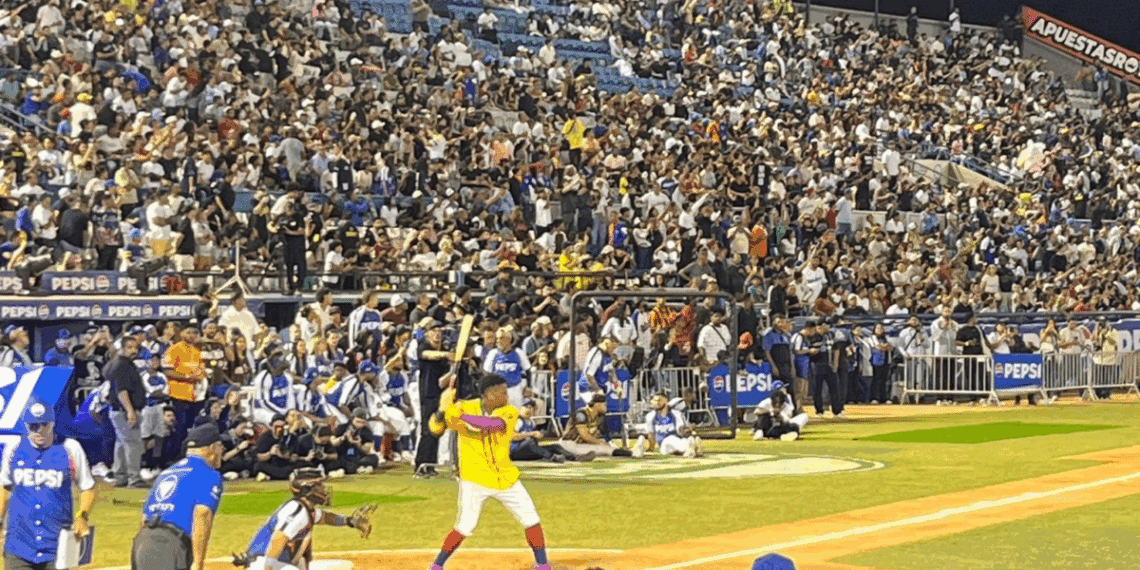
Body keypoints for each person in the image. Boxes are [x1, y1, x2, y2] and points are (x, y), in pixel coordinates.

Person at [425, 374, 552, 570]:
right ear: (488, 394)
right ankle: (437, 566)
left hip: (505, 477)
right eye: (502, 392)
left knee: (531, 519)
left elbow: (490, 425)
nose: (506, 395)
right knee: (464, 526)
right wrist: (443, 409)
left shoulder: (509, 411)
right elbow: (435, 429)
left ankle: (542, 565)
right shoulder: (463, 406)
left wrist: (456, 414)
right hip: (474, 478)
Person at [0, 400, 96, 570]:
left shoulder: (70, 448)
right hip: (19, 544)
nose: (39, 430)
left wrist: (82, 516)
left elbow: (87, 487)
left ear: (52, 423)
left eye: (44, 424)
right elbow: (4, 487)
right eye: (33, 426)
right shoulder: (13, 449)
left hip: (57, 546)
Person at [234, 469, 374, 570]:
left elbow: (325, 517)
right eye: (319, 485)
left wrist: (350, 521)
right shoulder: (297, 511)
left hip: (276, 562)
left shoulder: (306, 509)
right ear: (308, 488)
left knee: (344, 567)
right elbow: (278, 538)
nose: (323, 489)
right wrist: (268, 568)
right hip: (263, 563)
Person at [133, 423, 224, 570]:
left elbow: (144, 518)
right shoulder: (209, 474)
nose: (222, 452)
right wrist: (198, 562)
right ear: (213, 448)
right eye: (221, 447)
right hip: (171, 546)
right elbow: (202, 513)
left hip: (143, 542)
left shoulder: (166, 473)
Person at [106, 335, 148, 488]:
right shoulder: (122, 365)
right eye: (129, 347)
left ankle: (121, 476)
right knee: (132, 443)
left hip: (119, 410)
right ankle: (134, 478)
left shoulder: (120, 364)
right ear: (122, 349)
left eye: (135, 347)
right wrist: (130, 411)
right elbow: (122, 391)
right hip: (124, 410)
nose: (133, 350)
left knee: (122, 444)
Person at [509, 399, 593, 463]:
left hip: (527, 451)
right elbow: (512, 436)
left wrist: (540, 435)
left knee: (555, 446)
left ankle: (576, 457)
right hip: (514, 451)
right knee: (530, 442)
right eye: (526, 407)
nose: (529, 409)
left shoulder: (531, 423)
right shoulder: (517, 421)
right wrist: (531, 434)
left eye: (531, 408)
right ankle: (552, 457)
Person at [556, 394, 634, 458]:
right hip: (569, 444)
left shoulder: (599, 416)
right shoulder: (581, 414)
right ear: (597, 404)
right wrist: (601, 443)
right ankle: (632, 454)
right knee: (601, 448)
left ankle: (627, 452)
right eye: (604, 404)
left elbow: (600, 434)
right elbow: (585, 436)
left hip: (581, 444)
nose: (606, 406)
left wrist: (605, 442)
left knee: (605, 446)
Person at [632, 393, 703, 458]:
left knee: (670, 440)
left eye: (659, 400)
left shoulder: (676, 414)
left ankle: (689, 446)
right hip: (662, 445)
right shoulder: (650, 416)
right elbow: (651, 435)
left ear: (666, 402)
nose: (656, 403)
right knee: (664, 448)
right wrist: (651, 449)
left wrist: (687, 431)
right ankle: (693, 445)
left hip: (673, 438)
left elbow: (681, 430)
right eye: (654, 401)